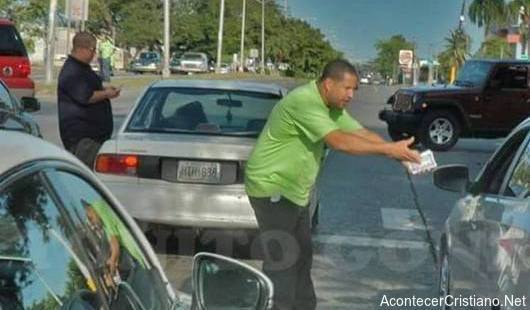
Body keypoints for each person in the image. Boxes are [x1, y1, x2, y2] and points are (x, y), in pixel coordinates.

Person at [244, 59, 421, 310]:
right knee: (283, 262)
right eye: (347, 89)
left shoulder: (330, 106)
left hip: (295, 192)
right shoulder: (304, 101)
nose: (351, 95)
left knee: (303, 259)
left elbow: (358, 133)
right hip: (272, 188)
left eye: (354, 90)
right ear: (328, 84)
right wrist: (388, 149)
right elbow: (339, 141)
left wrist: (397, 153)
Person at [58, 32, 121, 168]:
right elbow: (85, 96)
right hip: (83, 139)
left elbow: (90, 88)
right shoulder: (72, 71)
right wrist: (106, 94)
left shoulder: (83, 68)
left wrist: (105, 89)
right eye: (93, 50)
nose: (94, 54)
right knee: (87, 172)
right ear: (81, 48)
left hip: (94, 137)